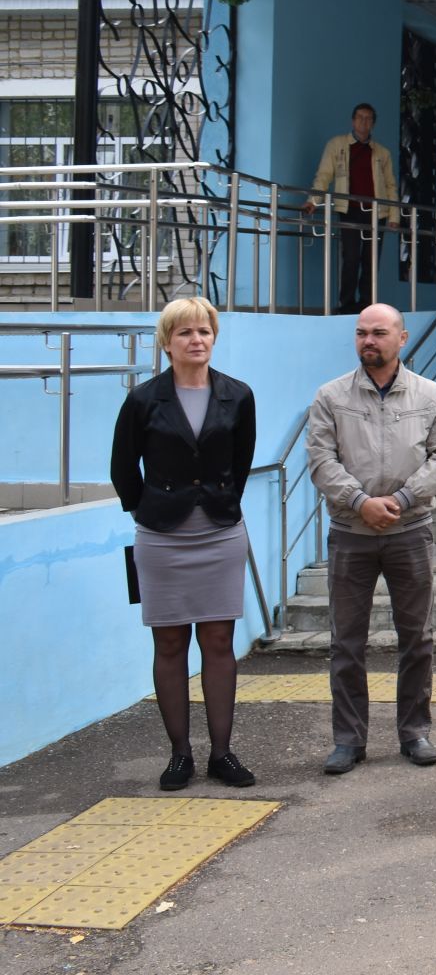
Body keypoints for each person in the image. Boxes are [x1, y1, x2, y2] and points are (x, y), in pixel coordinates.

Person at [110, 298, 258, 791]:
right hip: (161, 538)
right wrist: (148, 511)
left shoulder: (237, 396)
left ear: (214, 337)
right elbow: (122, 469)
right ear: (167, 342)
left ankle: (222, 754)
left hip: (219, 533)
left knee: (218, 642)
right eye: (185, 333)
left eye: (204, 331)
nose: (196, 340)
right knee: (169, 642)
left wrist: (216, 504)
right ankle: (179, 757)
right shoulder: (143, 399)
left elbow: (239, 465)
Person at [305, 303, 436, 775]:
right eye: (361, 333)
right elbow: (321, 460)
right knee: (346, 642)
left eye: (378, 333)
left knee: (417, 638)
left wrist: (402, 499)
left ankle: (415, 733)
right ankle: (348, 741)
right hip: (350, 534)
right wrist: (360, 502)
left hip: (410, 531)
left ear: (402, 338)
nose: (368, 341)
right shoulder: (330, 397)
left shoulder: (431, 396)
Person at [305, 102, 399, 314]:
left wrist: (394, 215)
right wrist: (313, 200)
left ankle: (366, 304)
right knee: (351, 257)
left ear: (373, 124)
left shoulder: (382, 153)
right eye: (360, 117)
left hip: (377, 212)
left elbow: (391, 184)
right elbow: (324, 175)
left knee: (371, 260)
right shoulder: (337, 145)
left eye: (368, 118)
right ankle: (346, 304)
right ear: (352, 120)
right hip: (350, 209)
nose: (363, 122)